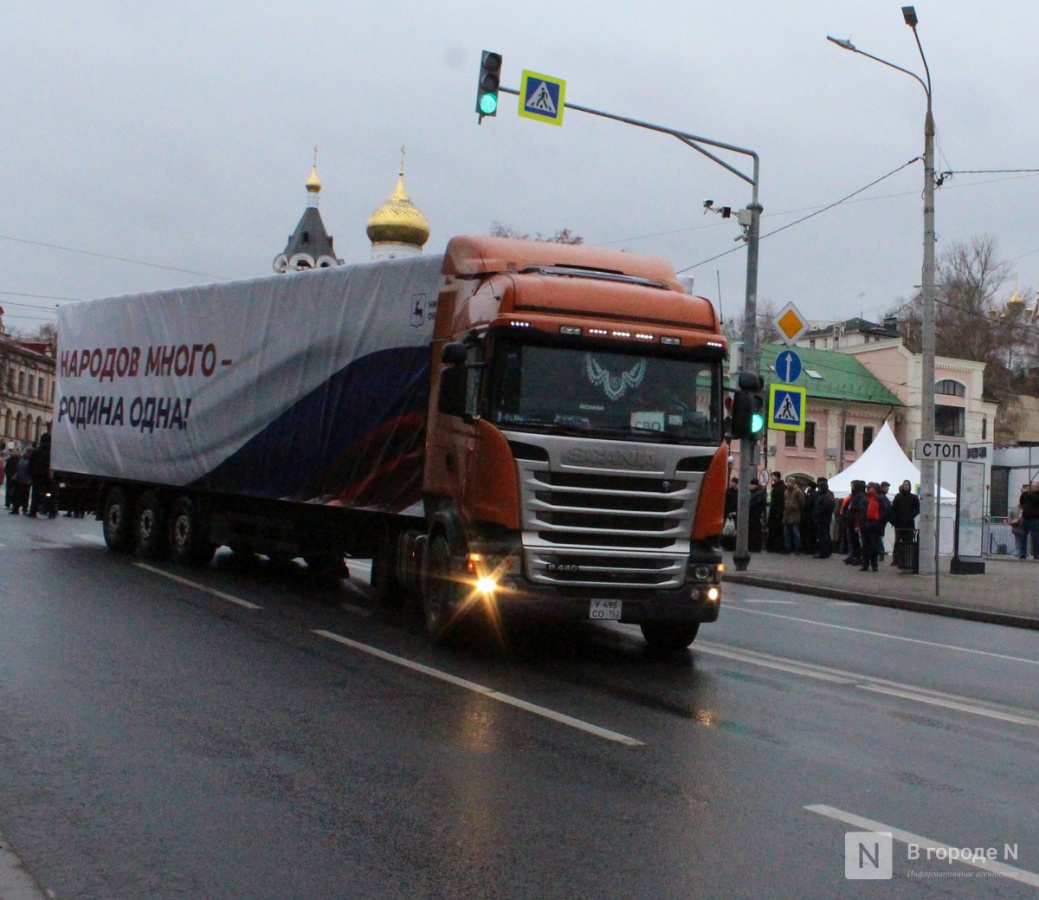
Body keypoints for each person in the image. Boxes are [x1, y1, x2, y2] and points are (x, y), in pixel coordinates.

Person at [888, 479, 920, 566]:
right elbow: (893, 509)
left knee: (909, 541)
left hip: (909, 523)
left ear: (910, 486)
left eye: (907, 484)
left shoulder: (913, 497)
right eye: (904, 484)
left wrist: (911, 515)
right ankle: (896, 559)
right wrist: (894, 520)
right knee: (898, 541)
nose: (906, 486)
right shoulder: (898, 497)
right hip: (899, 523)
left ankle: (907, 558)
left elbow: (918, 509)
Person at [28, 432, 56, 519]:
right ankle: (52, 512)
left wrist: (30, 473)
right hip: (49, 476)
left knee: (36, 493)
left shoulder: (36, 451)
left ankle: (33, 511)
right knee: (51, 494)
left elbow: (30, 463)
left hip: (37, 475)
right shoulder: (53, 452)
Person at [860, 482, 885, 572]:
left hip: (874, 525)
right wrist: (859, 524)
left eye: (870, 487)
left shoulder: (879, 499)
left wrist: (879, 523)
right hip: (865, 525)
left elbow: (885, 512)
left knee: (874, 547)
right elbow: (860, 513)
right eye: (868, 487)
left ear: (875, 488)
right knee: (865, 546)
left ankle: (874, 565)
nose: (868, 489)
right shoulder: (864, 499)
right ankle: (865, 564)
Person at [842, 480, 867, 566]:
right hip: (850, 520)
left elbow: (858, 507)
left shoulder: (860, 496)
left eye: (853, 486)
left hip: (855, 520)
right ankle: (854, 556)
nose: (852, 488)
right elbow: (847, 506)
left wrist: (851, 507)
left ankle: (858, 557)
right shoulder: (853, 496)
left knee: (856, 541)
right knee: (852, 540)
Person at [812, 477, 835, 559]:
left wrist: (817, 513)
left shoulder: (826, 496)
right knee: (824, 535)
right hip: (823, 518)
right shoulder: (824, 495)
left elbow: (825, 507)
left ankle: (824, 552)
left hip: (823, 519)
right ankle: (826, 551)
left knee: (823, 536)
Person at [782, 480, 805, 554]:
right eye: (787, 482)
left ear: (793, 483)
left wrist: (795, 507)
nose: (788, 484)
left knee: (795, 532)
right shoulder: (786, 492)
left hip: (795, 514)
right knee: (786, 532)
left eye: (789, 482)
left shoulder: (798, 492)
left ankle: (797, 548)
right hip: (786, 514)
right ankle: (787, 547)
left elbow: (802, 503)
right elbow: (784, 501)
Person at [1018, 482, 1039, 560]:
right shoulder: (1028, 495)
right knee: (1023, 536)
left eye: (1034, 486)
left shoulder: (1036, 496)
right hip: (1025, 518)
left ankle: (1036, 553)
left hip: (1034, 518)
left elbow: (1034, 500)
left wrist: (1026, 493)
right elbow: (1021, 502)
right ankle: (1022, 554)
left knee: (1035, 537)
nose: (1032, 488)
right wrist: (1023, 494)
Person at [766, 472, 785, 552]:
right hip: (774, 511)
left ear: (777, 477)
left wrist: (777, 512)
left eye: (773, 476)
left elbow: (779, 501)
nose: (772, 478)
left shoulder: (780, 488)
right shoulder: (777, 487)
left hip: (776, 513)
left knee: (776, 530)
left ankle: (776, 547)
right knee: (774, 530)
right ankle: (773, 546)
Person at [749, 478, 766, 552]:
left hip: (755, 515)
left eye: (751, 485)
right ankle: (754, 546)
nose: (750, 486)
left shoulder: (758, 493)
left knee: (755, 531)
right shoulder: (756, 492)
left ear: (755, 485)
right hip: (754, 515)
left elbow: (756, 504)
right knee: (754, 531)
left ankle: (755, 547)